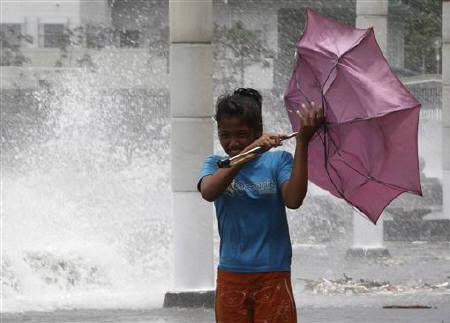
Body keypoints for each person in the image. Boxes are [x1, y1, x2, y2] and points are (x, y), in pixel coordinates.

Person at [197, 88, 323, 323]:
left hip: (273, 273)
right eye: (225, 135)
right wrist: (247, 153)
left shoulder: (278, 161)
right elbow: (209, 192)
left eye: (242, 134)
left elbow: (294, 200)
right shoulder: (216, 164)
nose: (232, 142)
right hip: (231, 274)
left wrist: (303, 141)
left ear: (258, 131)